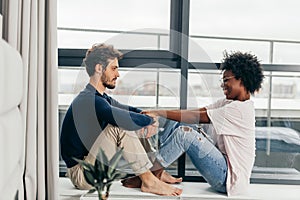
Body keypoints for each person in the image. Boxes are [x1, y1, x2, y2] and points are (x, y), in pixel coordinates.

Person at [122, 51, 264, 196]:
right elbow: (195, 112)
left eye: (226, 80)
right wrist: (157, 113)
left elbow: (196, 116)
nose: (223, 85)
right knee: (178, 121)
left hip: (227, 178)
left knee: (184, 134)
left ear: (242, 79)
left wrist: (158, 113)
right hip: (220, 165)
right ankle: (158, 172)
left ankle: (149, 178)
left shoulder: (240, 109)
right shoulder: (228, 103)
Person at [60, 43, 182, 196]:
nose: (117, 74)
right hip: (83, 174)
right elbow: (123, 119)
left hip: (90, 166)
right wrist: (150, 121)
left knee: (131, 122)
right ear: (99, 68)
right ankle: (149, 181)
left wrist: (148, 116)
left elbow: (128, 110)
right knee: (120, 127)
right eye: (114, 68)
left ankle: (154, 172)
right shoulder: (89, 100)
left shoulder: (101, 98)